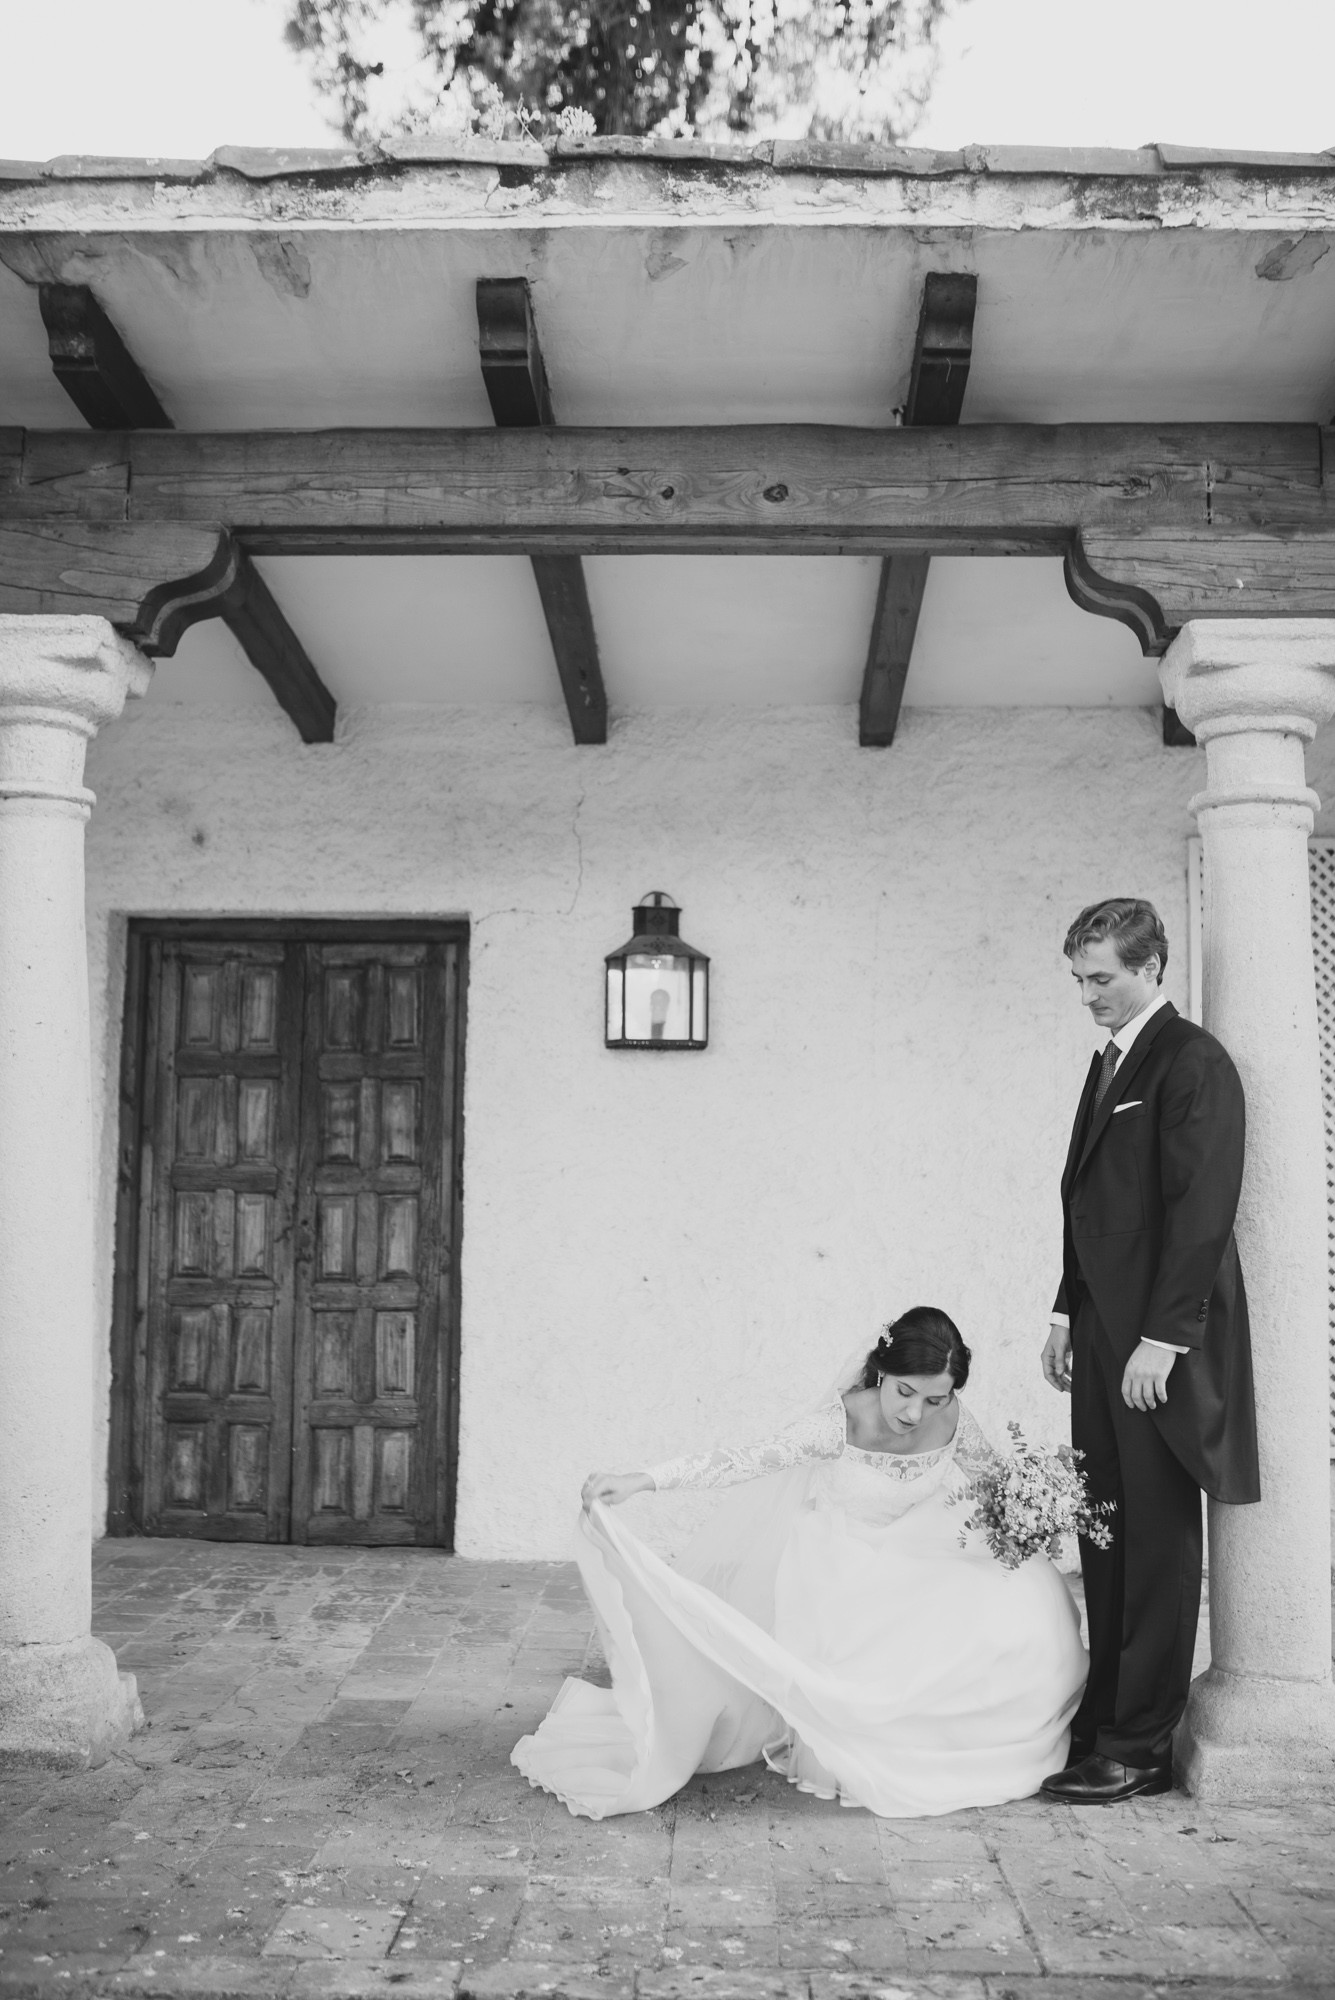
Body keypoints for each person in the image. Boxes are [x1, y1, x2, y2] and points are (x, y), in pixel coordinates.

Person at [512, 1307, 1087, 1820]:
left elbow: (994, 1483)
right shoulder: (840, 1422)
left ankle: (979, 1740)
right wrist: (642, 1480)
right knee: (898, 1625)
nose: (917, 1412)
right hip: (843, 1559)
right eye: (906, 1392)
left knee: (1025, 1596)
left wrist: (1037, 1508)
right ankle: (894, 1749)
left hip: (923, 1543)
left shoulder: (953, 1417)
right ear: (883, 1372)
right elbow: (742, 1461)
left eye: (935, 1398)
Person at [1040, 897, 1259, 1805]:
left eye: (1103, 977)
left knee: (1156, 1541)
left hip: (1153, 1347)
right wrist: (1064, 1314)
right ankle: (1104, 1721)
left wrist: (1162, 1340)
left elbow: (1202, 1209)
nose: (1088, 995)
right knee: (1104, 1529)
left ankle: (1139, 1746)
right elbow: (1086, 1200)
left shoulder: (1191, 1061)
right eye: (1080, 979)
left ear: (1151, 964)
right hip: (1098, 1333)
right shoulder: (1109, 1061)